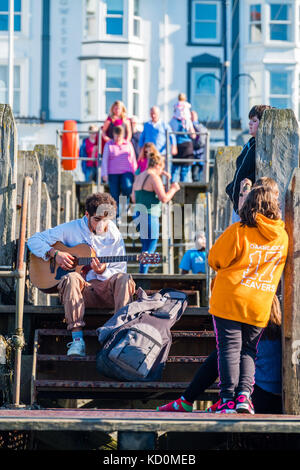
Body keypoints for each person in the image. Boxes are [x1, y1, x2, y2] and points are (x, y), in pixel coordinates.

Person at [27, 192, 136, 357]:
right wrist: (55, 254)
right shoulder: (71, 228)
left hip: (107, 292)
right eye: (97, 219)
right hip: (80, 291)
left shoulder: (114, 235)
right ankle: (77, 341)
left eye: (106, 220)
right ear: (87, 215)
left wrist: (103, 271)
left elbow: (120, 270)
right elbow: (33, 241)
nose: (101, 225)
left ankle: (119, 338)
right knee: (71, 277)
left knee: (125, 279)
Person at [157, 294, 283, 415]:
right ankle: (222, 400)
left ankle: (187, 400)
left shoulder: (252, 333)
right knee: (235, 354)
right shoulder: (280, 330)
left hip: (259, 398)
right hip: (278, 398)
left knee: (225, 351)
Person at [131, 153, 180, 273]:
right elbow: (164, 198)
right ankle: (143, 275)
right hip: (149, 215)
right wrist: (173, 189)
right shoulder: (154, 177)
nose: (162, 171)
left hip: (138, 214)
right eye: (162, 168)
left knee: (145, 247)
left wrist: (162, 173)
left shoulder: (140, 175)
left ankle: (142, 273)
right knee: (151, 247)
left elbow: (133, 198)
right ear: (158, 165)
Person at [226, 104, 271, 223]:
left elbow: (260, 171)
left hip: (249, 205)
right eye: (250, 120)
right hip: (238, 201)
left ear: (264, 124)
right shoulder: (250, 143)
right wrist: (231, 189)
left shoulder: (263, 147)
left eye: (254, 121)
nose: (250, 124)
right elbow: (241, 169)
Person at [101, 125, 137, 218]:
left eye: (119, 136)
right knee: (114, 193)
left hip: (127, 171)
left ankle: (124, 209)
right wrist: (104, 174)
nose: (117, 138)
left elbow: (133, 158)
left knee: (127, 187)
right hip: (113, 172)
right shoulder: (109, 144)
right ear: (113, 134)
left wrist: (135, 172)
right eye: (116, 136)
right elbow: (104, 160)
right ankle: (116, 215)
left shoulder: (128, 144)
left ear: (123, 135)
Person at [169, 102, 196, 183]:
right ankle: (184, 190)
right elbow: (193, 135)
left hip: (176, 147)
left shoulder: (172, 121)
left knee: (175, 170)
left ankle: (173, 188)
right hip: (187, 147)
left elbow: (170, 134)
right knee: (185, 172)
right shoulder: (188, 121)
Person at [190, 111, 208, 183]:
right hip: (195, 154)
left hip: (197, 154)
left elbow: (201, 141)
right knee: (195, 173)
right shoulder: (201, 127)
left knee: (195, 173)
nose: (192, 117)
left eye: (193, 116)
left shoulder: (198, 126)